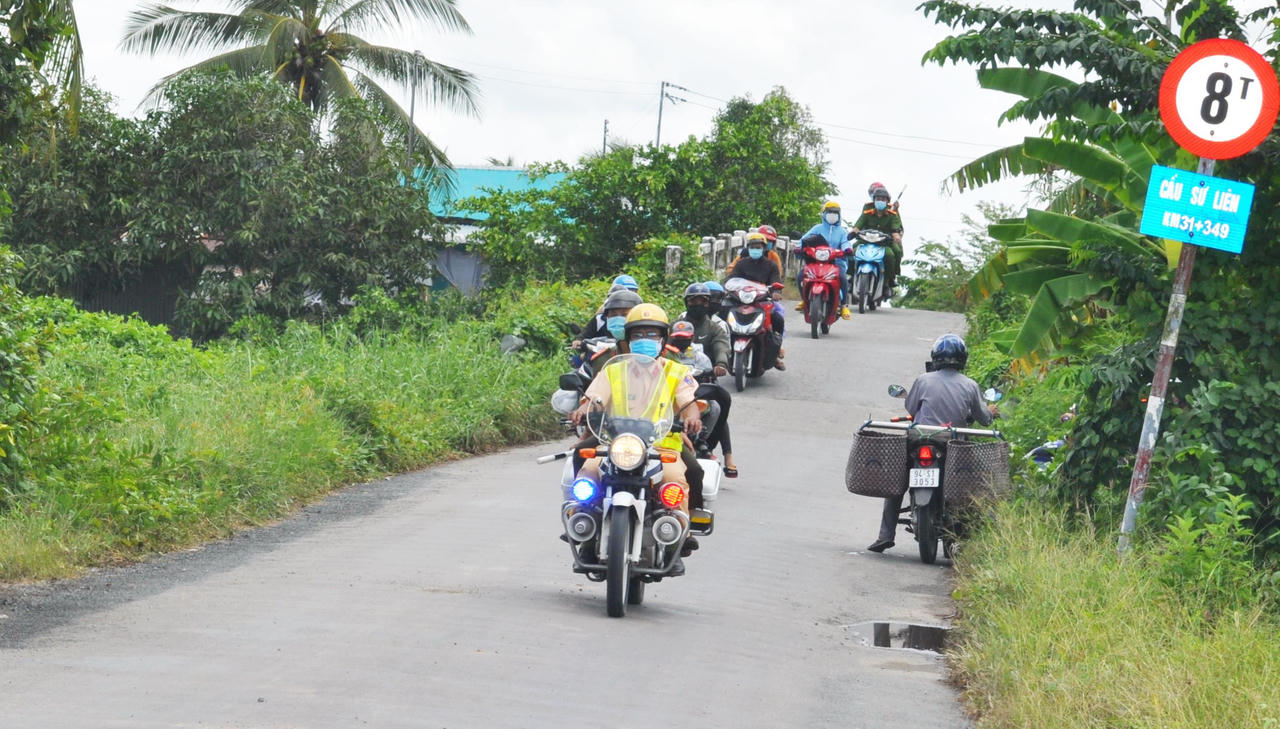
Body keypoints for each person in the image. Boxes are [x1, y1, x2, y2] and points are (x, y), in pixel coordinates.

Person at [570, 304, 704, 557]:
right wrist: (583, 409)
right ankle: (582, 525)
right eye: (638, 335)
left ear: (663, 339)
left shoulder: (677, 371)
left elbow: (689, 402)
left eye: (651, 334)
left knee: (678, 478)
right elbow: (595, 397)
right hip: (616, 444)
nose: (645, 340)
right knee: (587, 471)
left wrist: (692, 417)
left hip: (662, 445)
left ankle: (679, 534)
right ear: (628, 339)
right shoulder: (613, 369)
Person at [867, 334, 1000, 553]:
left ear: (936, 358)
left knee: (897, 479)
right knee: (966, 484)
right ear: (962, 359)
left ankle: (885, 535)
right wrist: (990, 413)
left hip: (918, 439)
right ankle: (958, 536)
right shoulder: (970, 385)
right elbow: (984, 419)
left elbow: (911, 408)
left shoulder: (923, 380)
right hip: (953, 444)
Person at [671, 305, 738, 477]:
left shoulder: (703, 354)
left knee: (716, 406)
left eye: (684, 338)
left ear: (692, 338)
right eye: (677, 338)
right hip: (670, 398)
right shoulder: (665, 356)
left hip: (694, 396)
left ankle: (703, 441)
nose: (680, 342)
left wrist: (720, 365)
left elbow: (721, 347)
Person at [724, 231, 786, 370]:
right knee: (723, 315)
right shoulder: (741, 264)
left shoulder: (771, 265)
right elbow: (732, 278)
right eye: (752, 247)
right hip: (741, 300)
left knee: (777, 319)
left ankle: (775, 352)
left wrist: (776, 292)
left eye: (758, 247)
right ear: (748, 248)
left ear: (764, 248)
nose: (755, 249)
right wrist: (726, 287)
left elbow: (776, 281)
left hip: (762, 301)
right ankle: (720, 352)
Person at [851, 182, 904, 298]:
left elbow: (895, 229)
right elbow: (858, 226)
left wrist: (896, 237)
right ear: (874, 199)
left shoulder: (892, 213)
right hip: (865, 240)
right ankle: (850, 276)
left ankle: (889, 280)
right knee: (851, 250)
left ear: (887, 201)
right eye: (878, 198)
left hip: (884, 242)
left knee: (892, 254)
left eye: (883, 199)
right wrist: (851, 234)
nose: (880, 201)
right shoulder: (867, 211)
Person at [802, 201, 853, 318]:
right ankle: (804, 300)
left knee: (842, 278)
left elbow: (846, 243)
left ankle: (844, 305)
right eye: (830, 212)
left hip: (836, 262)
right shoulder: (817, 228)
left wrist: (847, 250)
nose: (832, 214)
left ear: (839, 215)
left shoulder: (842, 232)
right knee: (801, 275)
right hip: (816, 261)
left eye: (835, 212)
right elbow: (804, 239)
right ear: (824, 214)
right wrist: (799, 247)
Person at [573, 288, 642, 349]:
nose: (618, 318)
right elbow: (587, 335)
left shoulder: (645, 340)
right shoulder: (599, 320)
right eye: (613, 314)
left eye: (625, 314)